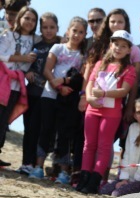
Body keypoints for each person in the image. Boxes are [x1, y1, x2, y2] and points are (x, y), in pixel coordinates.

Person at [28, 16, 87, 184]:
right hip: (50, 94)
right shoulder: (58, 47)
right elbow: (47, 69)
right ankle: (38, 167)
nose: (76, 35)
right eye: (74, 30)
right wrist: (58, 86)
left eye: (81, 32)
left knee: (64, 133)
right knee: (45, 129)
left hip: (69, 98)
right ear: (68, 31)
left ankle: (63, 171)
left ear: (85, 35)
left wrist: (66, 88)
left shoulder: (83, 55)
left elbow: (81, 77)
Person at [77, 30, 136, 194]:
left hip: (111, 113)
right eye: (116, 44)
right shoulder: (100, 64)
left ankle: (94, 181)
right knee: (88, 145)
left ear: (129, 50)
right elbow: (90, 82)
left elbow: (124, 91)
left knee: (104, 146)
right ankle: (83, 178)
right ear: (111, 45)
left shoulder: (129, 69)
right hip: (93, 109)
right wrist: (89, 98)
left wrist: (103, 94)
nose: (119, 48)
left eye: (123, 46)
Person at [16, 11, 60, 175]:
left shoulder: (61, 46)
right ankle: (26, 163)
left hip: (51, 96)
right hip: (33, 93)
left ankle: (38, 165)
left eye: (52, 27)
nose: (48, 30)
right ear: (40, 29)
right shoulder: (36, 44)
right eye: (45, 27)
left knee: (46, 131)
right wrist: (27, 72)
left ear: (57, 28)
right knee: (30, 129)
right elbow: (26, 65)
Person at [0, 5, 37, 167]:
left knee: (3, 121)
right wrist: (21, 58)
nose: (29, 22)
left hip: (16, 87)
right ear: (20, 18)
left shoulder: (36, 39)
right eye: (26, 18)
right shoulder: (8, 34)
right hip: (2, 81)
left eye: (33, 20)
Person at [100, 96, 140, 196]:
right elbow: (126, 154)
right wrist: (124, 179)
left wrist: (132, 181)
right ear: (134, 115)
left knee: (116, 194)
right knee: (104, 190)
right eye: (139, 112)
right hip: (129, 177)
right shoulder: (133, 128)